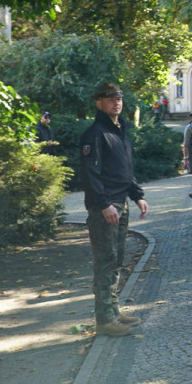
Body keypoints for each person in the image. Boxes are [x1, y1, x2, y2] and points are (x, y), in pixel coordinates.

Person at [79, 83, 148, 337]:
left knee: (116, 260)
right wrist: (104, 203)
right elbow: (90, 174)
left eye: (118, 99)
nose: (116, 103)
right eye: (109, 99)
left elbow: (124, 170)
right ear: (99, 103)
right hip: (105, 207)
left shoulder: (120, 131)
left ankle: (114, 312)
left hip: (121, 203)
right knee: (106, 261)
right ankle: (105, 320)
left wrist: (137, 195)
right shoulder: (94, 134)